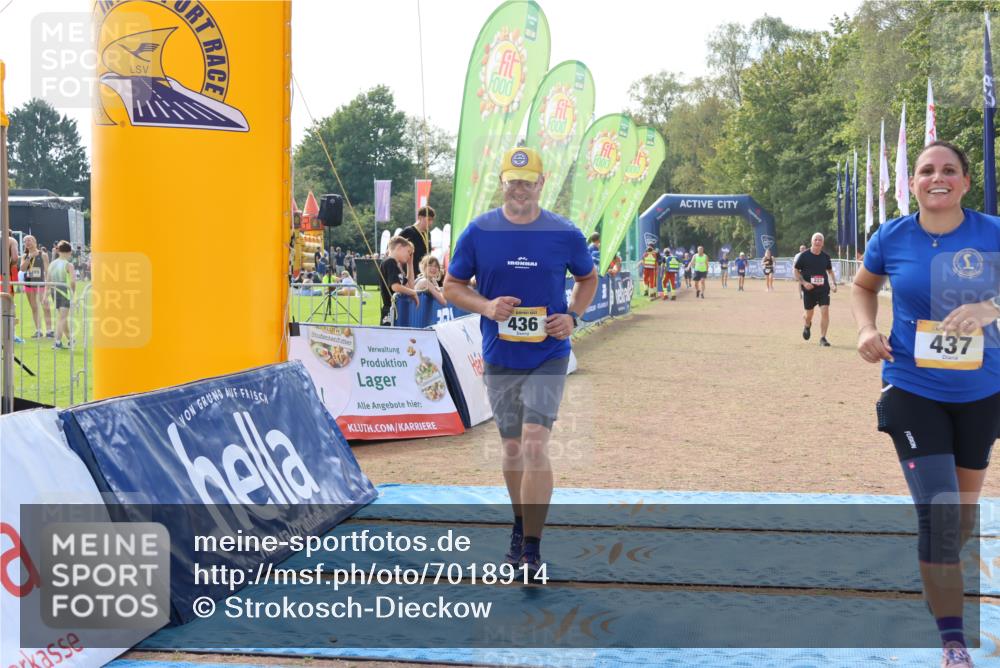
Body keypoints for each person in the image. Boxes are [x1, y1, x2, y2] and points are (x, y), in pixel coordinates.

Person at [852, 141, 1000, 668]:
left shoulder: (992, 233)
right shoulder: (892, 237)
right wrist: (867, 327)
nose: (937, 178)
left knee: (957, 524)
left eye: (948, 171)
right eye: (926, 171)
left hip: (982, 395)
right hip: (913, 390)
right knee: (939, 518)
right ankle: (953, 643)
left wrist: (990, 306)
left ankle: (939, 570)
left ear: (964, 181)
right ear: (912, 182)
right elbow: (862, 287)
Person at [443, 146, 597, 578]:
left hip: (548, 354)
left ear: (541, 184)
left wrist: (573, 316)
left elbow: (588, 278)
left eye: (528, 182)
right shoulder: (478, 232)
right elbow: (453, 285)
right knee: (512, 448)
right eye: (513, 181)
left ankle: (531, 547)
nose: (520, 190)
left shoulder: (564, 233)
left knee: (534, 443)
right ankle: (518, 523)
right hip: (500, 355)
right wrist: (487, 306)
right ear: (501, 182)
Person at [794, 232, 837, 347]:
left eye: (820, 240)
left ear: (822, 243)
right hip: (809, 290)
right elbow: (796, 270)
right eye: (815, 240)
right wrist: (804, 282)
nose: (817, 242)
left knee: (825, 311)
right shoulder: (804, 256)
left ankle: (823, 338)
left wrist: (833, 283)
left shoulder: (826, 257)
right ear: (812, 242)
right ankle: (807, 325)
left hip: (823, 289)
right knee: (809, 314)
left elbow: (830, 271)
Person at [378, 236, 418, 326]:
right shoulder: (390, 262)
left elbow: (411, 285)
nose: (409, 256)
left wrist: (410, 264)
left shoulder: (396, 266)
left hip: (396, 310)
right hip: (390, 310)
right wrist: (413, 293)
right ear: (399, 247)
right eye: (408, 252)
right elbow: (395, 287)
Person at [19, 235, 54, 338]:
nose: (27, 243)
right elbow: (22, 269)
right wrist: (30, 257)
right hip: (29, 284)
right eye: (25, 241)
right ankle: (38, 330)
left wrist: (48, 285)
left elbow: (47, 271)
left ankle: (49, 330)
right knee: (34, 308)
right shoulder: (25, 256)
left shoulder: (43, 254)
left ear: (35, 241)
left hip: (41, 284)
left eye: (29, 240)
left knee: (46, 307)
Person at [47, 241, 76, 350]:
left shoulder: (52, 263)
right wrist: (73, 293)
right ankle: (58, 342)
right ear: (69, 252)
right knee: (62, 319)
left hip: (54, 292)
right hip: (64, 292)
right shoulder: (69, 264)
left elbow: (48, 280)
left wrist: (46, 294)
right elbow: (73, 281)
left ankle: (70, 339)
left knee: (62, 318)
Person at [400, 206, 436, 272]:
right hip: (410, 271)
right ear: (420, 218)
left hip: (424, 272)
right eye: (429, 219)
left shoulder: (428, 234)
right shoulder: (408, 231)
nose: (431, 223)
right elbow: (394, 247)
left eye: (432, 220)